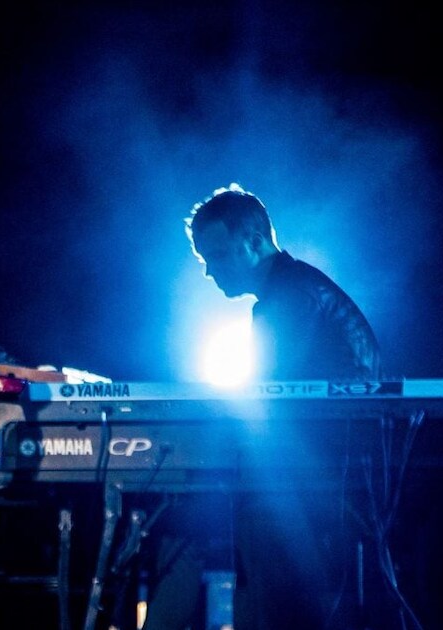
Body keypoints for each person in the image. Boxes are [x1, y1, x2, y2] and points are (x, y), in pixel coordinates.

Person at [174, 183, 381, 630]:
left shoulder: (289, 300)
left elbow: (266, 399)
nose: (210, 272)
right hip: (323, 475)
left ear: (254, 240)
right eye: (204, 261)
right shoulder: (291, 290)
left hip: (319, 481)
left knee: (203, 524)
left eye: (218, 256)